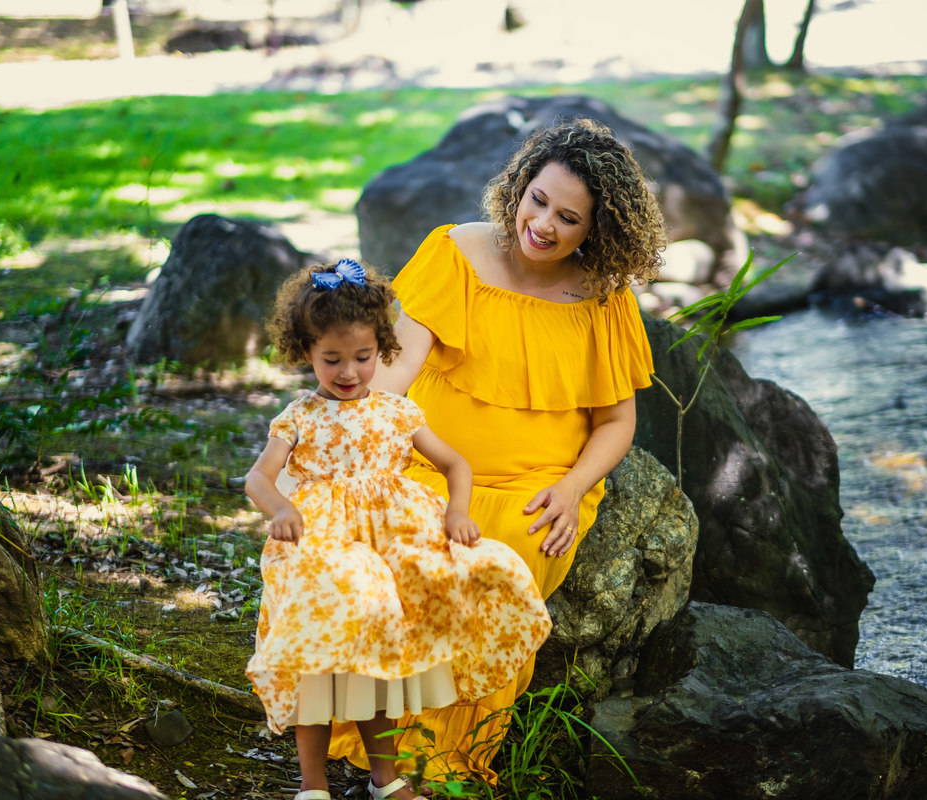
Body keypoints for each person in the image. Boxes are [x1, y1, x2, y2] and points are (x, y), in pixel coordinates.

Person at [327, 117, 668, 784]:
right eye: (537, 199)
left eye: (569, 219)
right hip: (427, 466)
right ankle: (379, 760)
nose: (542, 224)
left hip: (534, 488)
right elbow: (398, 365)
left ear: (597, 231)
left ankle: (442, 768)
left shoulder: (603, 297)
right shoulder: (455, 251)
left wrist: (572, 489)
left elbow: (616, 422)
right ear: (519, 184)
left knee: (495, 570)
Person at [243, 258, 553, 800]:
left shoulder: (396, 412)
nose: (348, 373)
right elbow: (259, 477)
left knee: (380, 665)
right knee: (318, 669)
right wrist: (280, 509)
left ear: (381, 348)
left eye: (362, 358)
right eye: (331, 359)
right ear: (306, 353)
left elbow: (457, 464)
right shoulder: (300, 416)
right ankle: (311, 785)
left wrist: (458, 511)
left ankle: (384, 779)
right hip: (326, 551)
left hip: (390, 548)